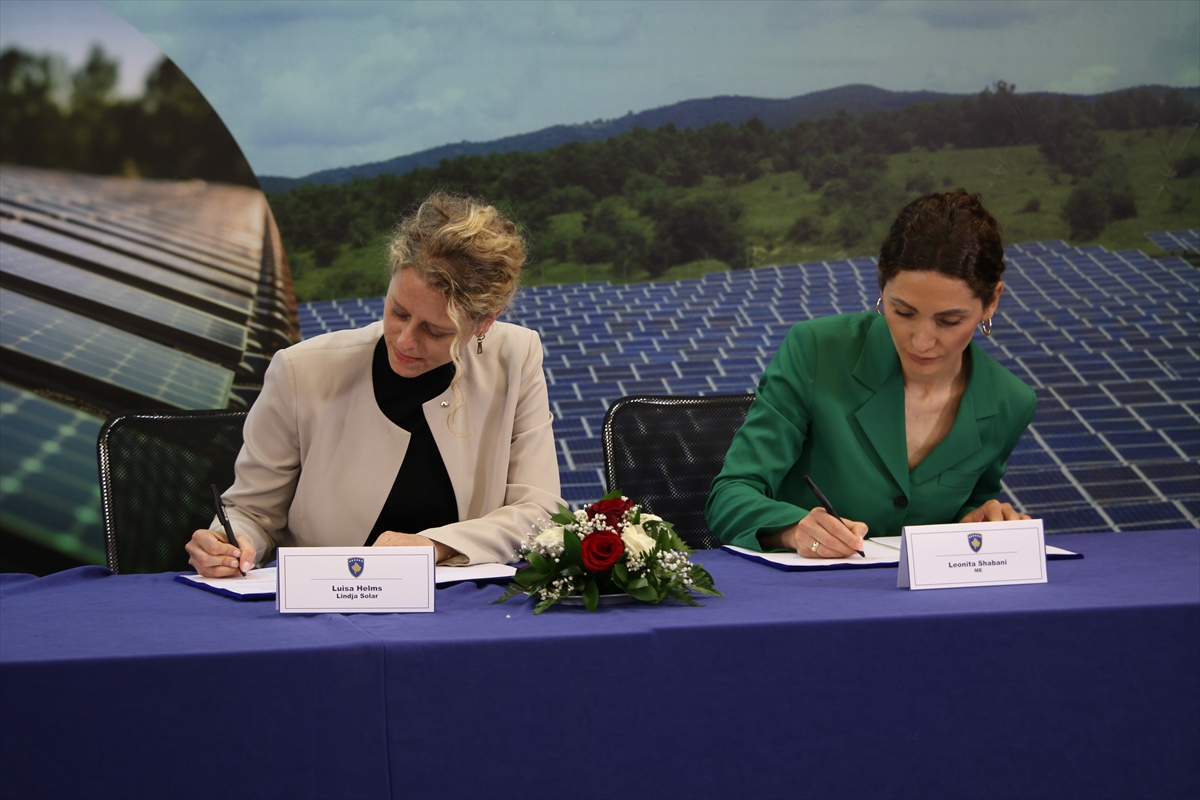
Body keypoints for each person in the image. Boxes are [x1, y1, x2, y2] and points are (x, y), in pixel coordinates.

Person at [186, 192, 563, 576]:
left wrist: (434, 546)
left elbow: (541, 511)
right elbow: (252, 512)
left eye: (435, 331)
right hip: (326, 599)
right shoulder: (301, 370)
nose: (405, 341)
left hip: (463, 600)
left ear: (485, 322)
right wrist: (230, 542)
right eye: (398, 312)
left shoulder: (516, 356)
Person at [705, 190, 1035, 558]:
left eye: (949, 321)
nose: (922, 341)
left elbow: (968, 508)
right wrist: (792, 530)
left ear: (991, 302)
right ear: (882, 287)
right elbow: (730, 496)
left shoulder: (1010, 402)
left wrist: (980, 520)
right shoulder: (816, 351)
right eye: (903, 312)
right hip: (806, 586)